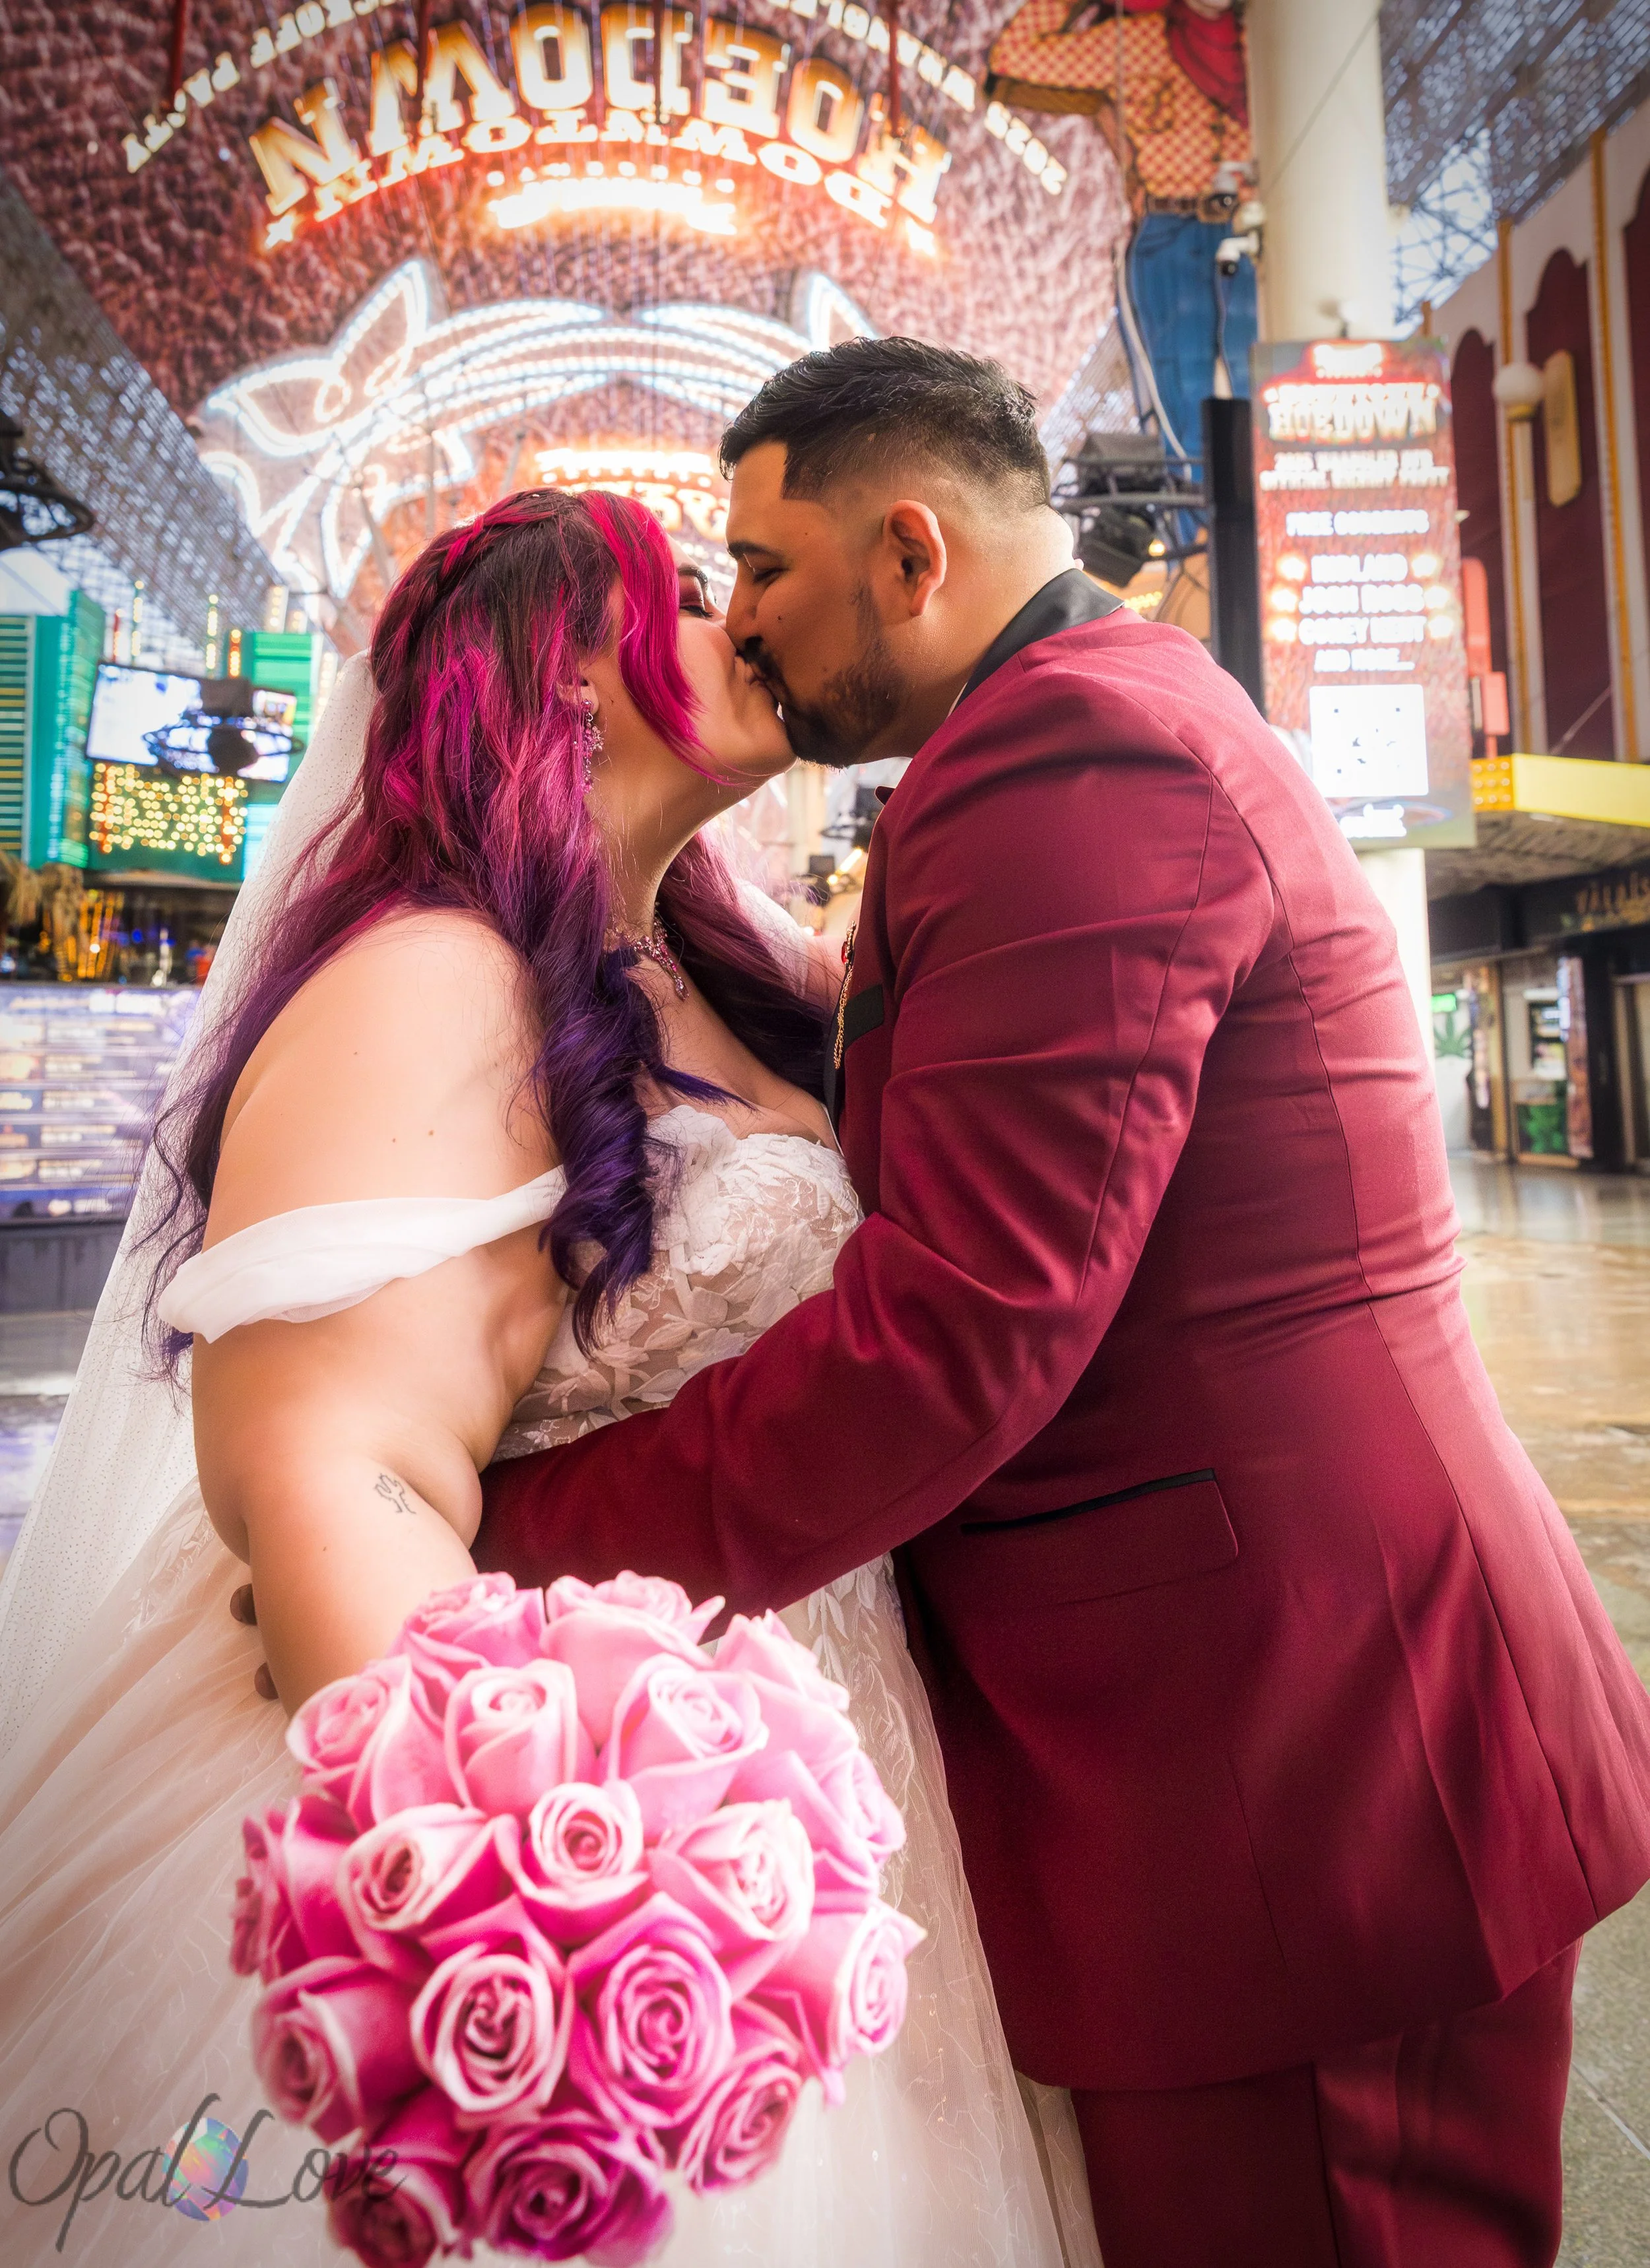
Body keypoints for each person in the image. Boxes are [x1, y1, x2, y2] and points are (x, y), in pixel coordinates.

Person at [477, 339, 1650, 2268]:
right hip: (1274, 1723)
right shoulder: (1087, 722)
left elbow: (963, 1327)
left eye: (763, 564)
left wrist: (531, 1550)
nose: (741, 618)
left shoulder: (1061, 759)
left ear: (910, 549)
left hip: (1298, 1753)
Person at [0, 490, 1092, 2266]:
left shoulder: (709, 968)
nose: (744, 616)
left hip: (805, 1800)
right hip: (543, 1823)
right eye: (682, 592)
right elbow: (336, 1465)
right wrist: (535, 1912)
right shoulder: (432, 974)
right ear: (555, 680)